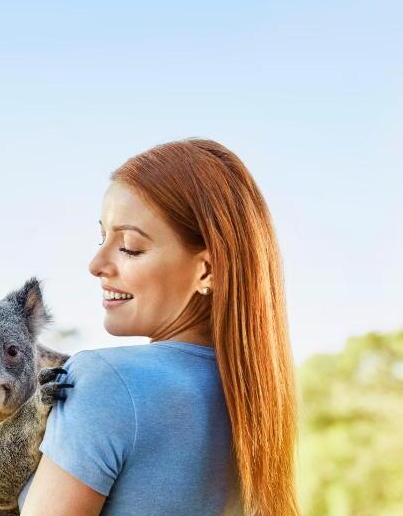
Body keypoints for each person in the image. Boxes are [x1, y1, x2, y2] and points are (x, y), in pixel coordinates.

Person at [18, 138, 299, 516]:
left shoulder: (103, 381)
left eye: (130, 247)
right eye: (102, 238)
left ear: (207, 270)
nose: (96, 264)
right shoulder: (257, 398)